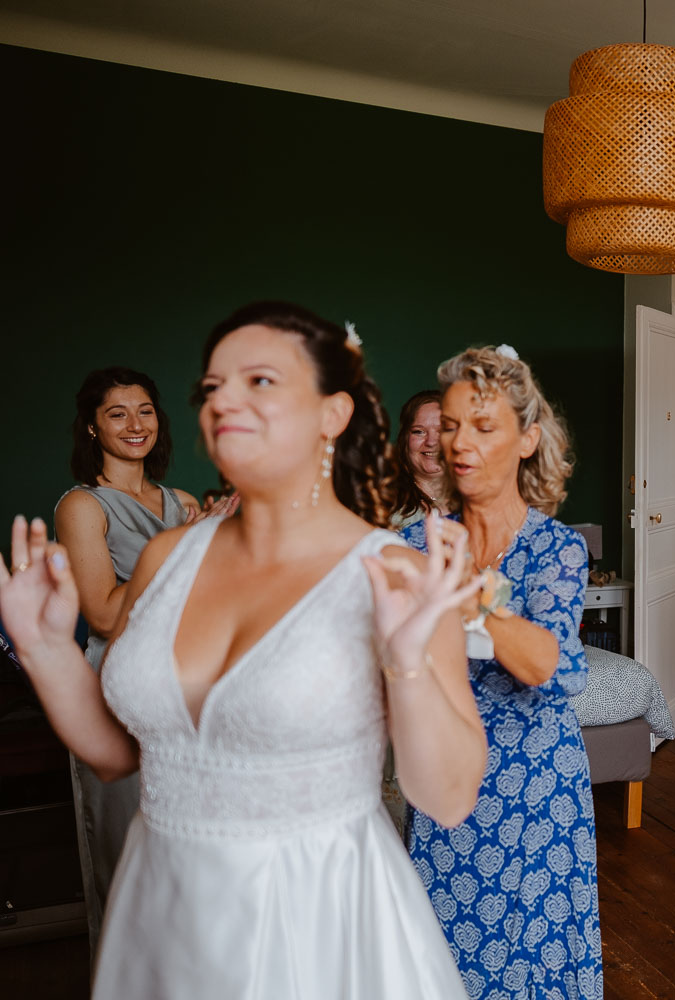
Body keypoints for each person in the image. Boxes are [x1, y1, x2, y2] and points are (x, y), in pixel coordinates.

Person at [0, 301, 487, 998]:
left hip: (313, 920)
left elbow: (448, 797)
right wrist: (46, 649)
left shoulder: (394, 573)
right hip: (161, 907)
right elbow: (117, 756)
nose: (224, 398)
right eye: (213, 385)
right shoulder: (167, 556)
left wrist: (408, 664)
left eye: (259, 381)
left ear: (332, 414)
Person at [401, 345, 603, 1000]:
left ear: (527, 439)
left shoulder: (556, 548)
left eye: (483, 427)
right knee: (437, 957)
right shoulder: (414, 543)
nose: (459, 443)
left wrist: (470, 600)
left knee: (533, 966)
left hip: (536, 789)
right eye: (452, 424)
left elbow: (552, 662)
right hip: (443, 779)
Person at [52, 367, 229, 947]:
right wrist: (182, 549)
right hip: (122, 688)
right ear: (92, 429)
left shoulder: (179, 502)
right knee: (130, 850)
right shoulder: (82, 506)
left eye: (146, 410)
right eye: (118, 413)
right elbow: (104, 614)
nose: (135, 424)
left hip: (191, 686)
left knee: (199, 853)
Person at [391, 389, 451, 528]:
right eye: (419, 432)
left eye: (442, 430)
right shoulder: (383, 503)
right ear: (404, 439)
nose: (431, 442)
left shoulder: (479, 500)